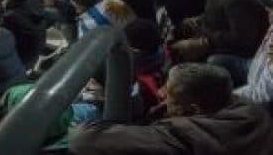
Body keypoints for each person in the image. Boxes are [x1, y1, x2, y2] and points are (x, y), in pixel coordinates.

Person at [70, 63, 273, 154]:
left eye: (171, 97)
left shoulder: (184, 135)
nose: (161, 95)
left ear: (193, 109)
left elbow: (83, 139)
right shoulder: (256, 112)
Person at [0, 0, 47, 68]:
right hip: (39, 46)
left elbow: (5, 40)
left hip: (25, 58)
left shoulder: (10, 17)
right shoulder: (36, 2)